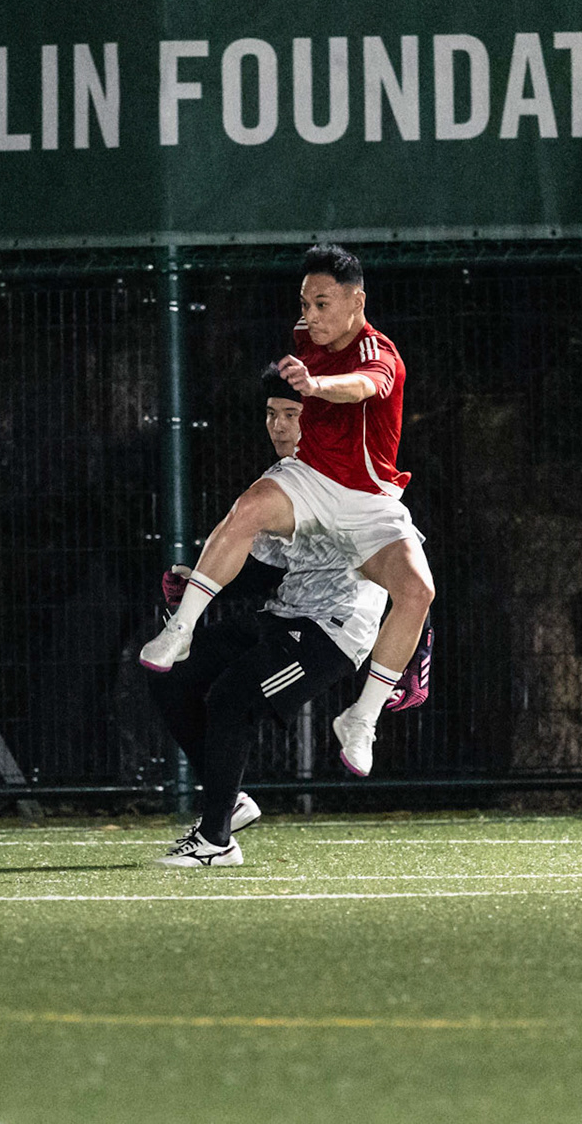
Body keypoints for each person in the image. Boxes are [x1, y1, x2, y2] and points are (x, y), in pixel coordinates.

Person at [139, 244, 435, 777]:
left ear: (356, 301)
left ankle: (361, 719)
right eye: (304, 303)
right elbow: (264, 563)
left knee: (418, 591)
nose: (310, 317)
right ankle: (180, 629)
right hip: (315, 478)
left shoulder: (381, 355)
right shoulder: (304, 339)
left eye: (323, 304)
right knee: (248, 507)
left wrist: (316, 385)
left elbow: (361, 387)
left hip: (368, 500)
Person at [146, 367, 428, 869]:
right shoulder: (286, 482)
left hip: (330, 634)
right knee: (175, 676)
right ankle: (227, 802)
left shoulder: (356, 485)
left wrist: (419, 649)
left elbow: (408, 578)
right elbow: (264, 572)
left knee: (233, 699)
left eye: (292, 414)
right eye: (272, 414)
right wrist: (197, 583)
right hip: (282, 615)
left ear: (321, 420)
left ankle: (214, 842)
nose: (278, 426)